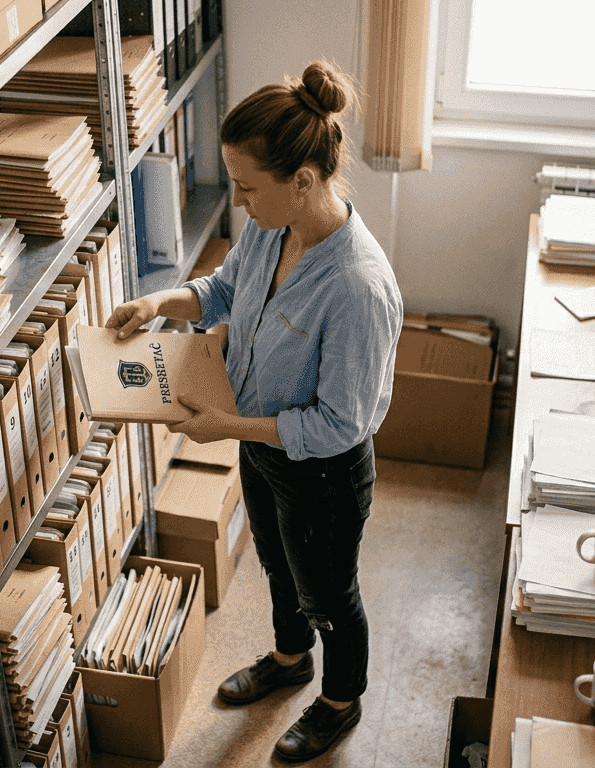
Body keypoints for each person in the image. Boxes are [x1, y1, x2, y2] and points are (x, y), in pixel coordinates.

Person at [105, 60, 403, 763]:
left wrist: (225, 427)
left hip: (324, 472)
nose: (239, 201)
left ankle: (339, 701)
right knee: (277, 567)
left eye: (247, 187)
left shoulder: (359, 288)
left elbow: (339, 425)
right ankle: (289, 659)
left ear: (303, 181)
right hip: (262, 449)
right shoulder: (273, 230)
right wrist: (161, 303)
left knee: (330, 594)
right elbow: (224, 290)